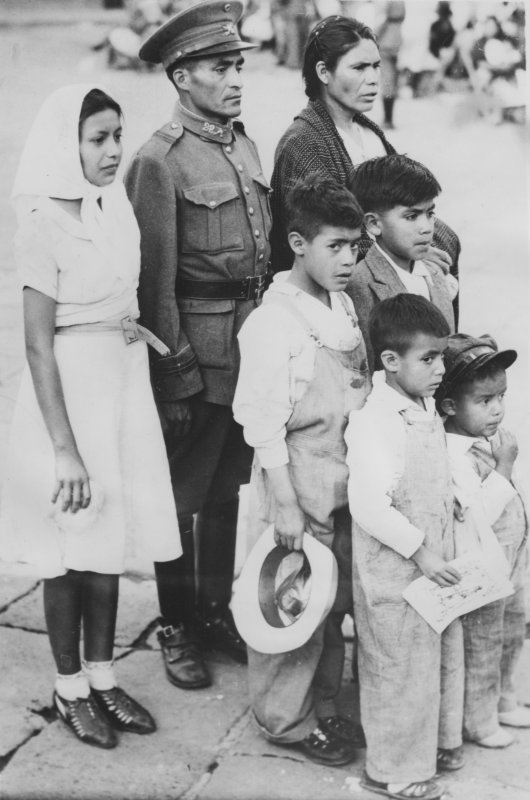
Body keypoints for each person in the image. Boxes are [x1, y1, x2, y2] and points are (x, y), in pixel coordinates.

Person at [0, 84, 182, 749]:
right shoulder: (43, 220)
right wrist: (65, 450)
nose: (112, 151)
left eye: (116, 136)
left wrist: (151, 371)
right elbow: (36, 343)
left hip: (121, 387)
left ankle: (104, 678)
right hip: (67, 399)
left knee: (106, 545)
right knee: (67, 549)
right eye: (97, 138)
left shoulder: (115, 208)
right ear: (64, 143)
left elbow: (124, 309)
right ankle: (68, 685)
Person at [124, 1, 272, 690]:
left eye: (238, 64)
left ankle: (215, 611)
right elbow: (153, 281)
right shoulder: (160, 159)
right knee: (180, 498)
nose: (236, 77)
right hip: (198, 354)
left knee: (226, 497)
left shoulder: (240, 142)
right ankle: (178, 623)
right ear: (182, 77)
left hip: (248, 354)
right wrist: (174, 378)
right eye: (220, 67)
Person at [233, 175, 370, 766]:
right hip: (296, 482)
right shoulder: (275, 323)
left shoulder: (338, 305)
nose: (347, 259)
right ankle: (284, 719)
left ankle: (326, 705)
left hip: (342, 480)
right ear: (297, 242)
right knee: (291, 601)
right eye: (334, 246)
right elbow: (262, 424)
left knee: (331, 602)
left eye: (354, 247)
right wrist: (285, 502)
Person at [346, 295, 464, 800]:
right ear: (391, 362)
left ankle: (428, 747)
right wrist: (422, 551)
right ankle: (391, 769)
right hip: (396, 568)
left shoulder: (420, 404)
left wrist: (452, 494)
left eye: (441, 357)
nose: (440, 369)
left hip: (428, 561)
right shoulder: (376, 420)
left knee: (427, 660)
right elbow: (370, 506)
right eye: (429, 359)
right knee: (394, 667)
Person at [270, 13, 461, 303]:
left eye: (375, 66)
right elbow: (324, 237)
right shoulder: (305, 143)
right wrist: (407, 254)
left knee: (445, 243)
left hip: (386, 264)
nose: (373, 79)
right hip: (342, 287)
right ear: (323, 72)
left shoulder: (366, 130)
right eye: (359, 68)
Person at [435, 333, 530, 749]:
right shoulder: (452, 453)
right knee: (485, 639)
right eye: (484, 400)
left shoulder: (484, 437)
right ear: (450, 406)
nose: (497, 410)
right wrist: (504, 469)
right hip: (483, 564)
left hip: (512, 556)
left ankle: (505, 698)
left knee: (513, 628)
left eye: (501, 397)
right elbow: (476, 516)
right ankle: (479, 717)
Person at [347, 154, 457, 371]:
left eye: (430, 213)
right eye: (411, 216)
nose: (426, 227)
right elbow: (365, 369)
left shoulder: (434, 274)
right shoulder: (358, 284)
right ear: (373, 224)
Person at [375, 1, 405, 129]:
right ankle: (389, 119)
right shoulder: (400, 23)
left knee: (388, 84)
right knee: (392, 85)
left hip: (386, 49)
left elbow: (376, 31)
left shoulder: (386, 19)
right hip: (396, 49)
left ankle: (388, 119)